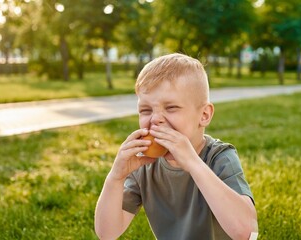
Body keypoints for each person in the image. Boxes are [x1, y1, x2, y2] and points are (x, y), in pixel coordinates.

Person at [94, 53, 258, 240]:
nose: (155, 119)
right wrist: (116, 177)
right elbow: (107, 234)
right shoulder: (144, 166)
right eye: (146, 110)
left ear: (204, 115)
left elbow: (247, 232)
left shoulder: (219, 157)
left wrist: (192, 163)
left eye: (171, 108)